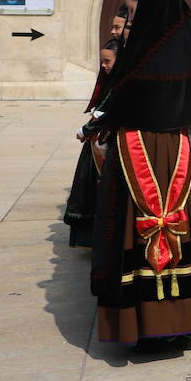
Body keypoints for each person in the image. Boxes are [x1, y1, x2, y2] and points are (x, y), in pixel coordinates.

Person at [86, 0, 191, 346]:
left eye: (133, 11)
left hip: (149, 151)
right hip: (182, 150)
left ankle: (153, 321)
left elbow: (135, 103)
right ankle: (187, 313)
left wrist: (106, 120)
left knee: (145, 228)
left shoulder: (150, 55)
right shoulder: (177, 47)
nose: (130, 18)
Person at [65, 37, 121, 249]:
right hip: (98, 141)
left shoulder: (122, 80)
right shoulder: (110, 77)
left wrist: (88, 129)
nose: (103, 65)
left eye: (108, 61)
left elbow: (111, 108)